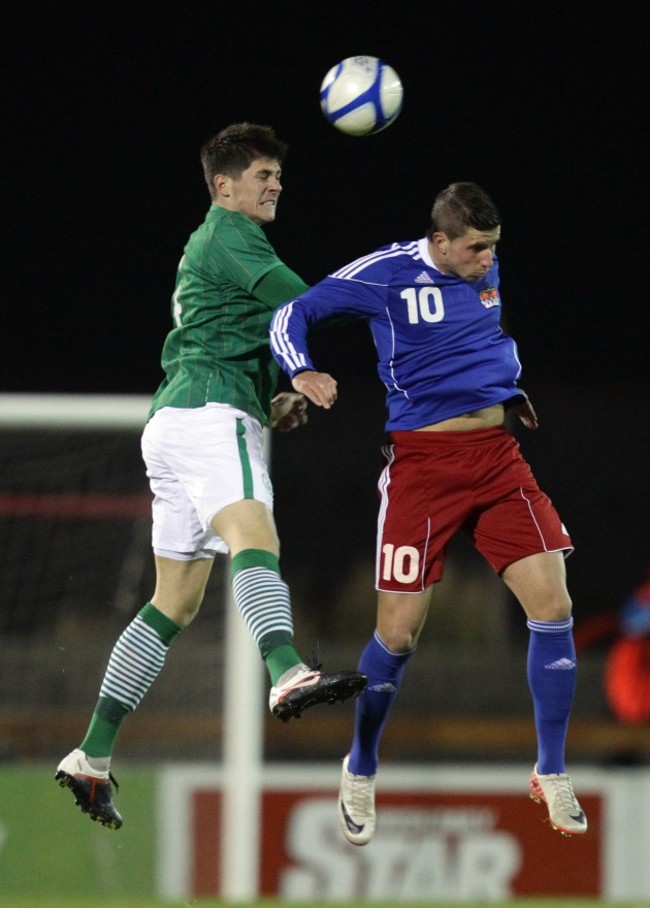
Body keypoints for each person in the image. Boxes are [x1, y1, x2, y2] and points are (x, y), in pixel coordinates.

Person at [55, 122, 366, 830]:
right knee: (255, 534)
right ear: (223, 185)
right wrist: (393, 297)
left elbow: (230, 333)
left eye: (277, 175)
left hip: (177, 422)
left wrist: (273, 400)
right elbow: (305, 303)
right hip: (208, 415)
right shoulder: (231, 234)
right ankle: (286, 671)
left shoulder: (217, 244)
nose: (275, 184)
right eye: (261, 174)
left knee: (173, 604)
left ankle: (92, 755)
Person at [270, 181, 587, 843]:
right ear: (438, 241)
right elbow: (291, 314)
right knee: (398, 637)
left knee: (553, 609)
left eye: (491, 250)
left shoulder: (483, 265)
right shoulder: (384, 274)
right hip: (423, 469)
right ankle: (360, 765)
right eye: (474, 249)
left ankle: (551, 771)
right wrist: (300, 371)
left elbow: (480, 336)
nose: (486, 261)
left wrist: (509, 386)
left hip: (498, 459)